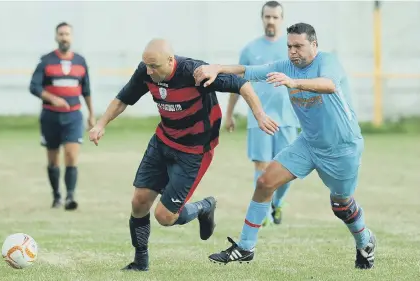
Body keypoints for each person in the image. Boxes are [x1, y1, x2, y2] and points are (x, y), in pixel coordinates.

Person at [193, 23, 376, 269]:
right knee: (264, 182)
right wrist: (217, 68)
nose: (292, 52)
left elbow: (329, 84)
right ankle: (246, 247)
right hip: (308, 144)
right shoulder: (285, 66)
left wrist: (294, 83)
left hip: (342, 148)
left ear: (314, 45)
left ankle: (364, 241)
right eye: (289, 46)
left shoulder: (327, 61)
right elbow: (249, 70)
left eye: (298, 46)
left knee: (341, 205)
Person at [88, 38, 279, 271]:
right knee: (139, 202)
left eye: (154, 66)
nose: (149, 71)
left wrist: (259, 115)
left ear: (170, 60)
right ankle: (140, 261)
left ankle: (203, 207)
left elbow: (242, 84)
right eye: (146, 65)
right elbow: (123, 98)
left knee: (165, 216)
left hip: (194, 152)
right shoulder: (147, 71)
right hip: (163, 142)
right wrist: (100, 124)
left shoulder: (195, 72)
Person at [225, 1, 299, 226]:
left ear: (282, 20)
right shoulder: (250, 50)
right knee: (261, 166)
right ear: (262, 18)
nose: (271, 21)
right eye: (267, 17)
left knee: (289, 169)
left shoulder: (292, 50)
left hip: (287, 119)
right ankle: (262, 213)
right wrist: (228, 114)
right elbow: (236, 84)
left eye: (275, 17)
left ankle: (278, 203)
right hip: (259, 120)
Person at [29, 22, 95, 210]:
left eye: (67, 34)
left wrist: (91, 114)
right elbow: (34, 86)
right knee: (53, 158)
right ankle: (57, 196)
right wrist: (52, 98)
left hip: (73, 117)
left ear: (71, 37)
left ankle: (70, 197)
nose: (64, 37)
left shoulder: (80, 62)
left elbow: (86, 90)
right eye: (61, 34)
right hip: (50, 117)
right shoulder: (46, 61)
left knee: (71, 156)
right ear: (56, 37)